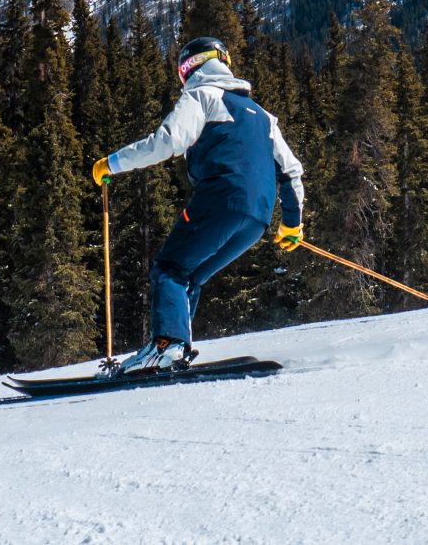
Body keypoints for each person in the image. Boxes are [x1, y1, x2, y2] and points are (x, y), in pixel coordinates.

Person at [91, 36, 306, 374]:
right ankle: (174, 347)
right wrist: (291, 223)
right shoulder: (265, 117)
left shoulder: (201, 95)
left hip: (221, 198)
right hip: (258, 217)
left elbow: (168, 141)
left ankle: (166, 346)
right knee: (190, 276)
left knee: (170, 268)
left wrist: (113, 163)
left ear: (190, 67)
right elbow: (291, 172)